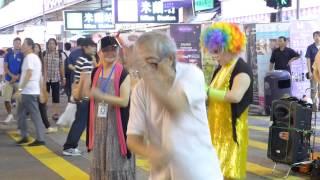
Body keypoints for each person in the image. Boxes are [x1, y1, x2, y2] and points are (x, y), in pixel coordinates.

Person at [127, 31, 222, 180]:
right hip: (162, 175)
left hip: (199, 172)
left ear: (170, 59)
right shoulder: (140, 89)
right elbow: (133, 137)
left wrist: (148, 76)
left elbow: (176, 108)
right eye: (141, 64)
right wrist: (150, 152)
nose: (146, 70)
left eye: (152, 63)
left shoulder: (192, 74)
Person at [200, 22, 253, 179]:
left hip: (231, 134)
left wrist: (207, 91)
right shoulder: (221, 68)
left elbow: (235, 96)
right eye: (212, 51)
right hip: (215, 131)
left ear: (230, 47)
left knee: (230, 173)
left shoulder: (242, 69)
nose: (214, 55)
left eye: (216, 51)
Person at [88, 36, 135, 179]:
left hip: (117, 129)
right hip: (99, 128)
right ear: (100, 52)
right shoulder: (96, 72)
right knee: (100, 165)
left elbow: (124, 101)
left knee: (117, 166)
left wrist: (100, 96)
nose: (110, 53)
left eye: (113, 49)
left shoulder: (123, 73)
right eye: (106, 50)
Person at [62, 38, 96, 156]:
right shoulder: (85, 61)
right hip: (84, 96)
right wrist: (82, 97)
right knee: (80, 122)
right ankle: (69, 146)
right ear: (85, 47)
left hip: (81, 95)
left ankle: (73, 145)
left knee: (81, 121)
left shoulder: (83, 59)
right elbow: (85, 81)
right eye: (92, 46)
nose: (94, 49)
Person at [15, 38, 45, 146]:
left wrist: (19, 89)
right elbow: (39, 76)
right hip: (29, 91)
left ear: (29, 46)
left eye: (23, 44)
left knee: (35, 115)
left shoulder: (30, 58)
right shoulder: (33, 57)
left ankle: (40, 139)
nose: (21, 46)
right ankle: (24, 136)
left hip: (29, 91)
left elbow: (29, 74)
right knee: (20, 114)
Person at [34, 43, 57, 133]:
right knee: (36, 108)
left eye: (37, 47)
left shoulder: (40, 59)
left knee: (41, 106)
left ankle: (47, 126)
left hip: (39, 85)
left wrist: (43, 84)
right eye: (34, 47)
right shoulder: (30, 58)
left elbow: (44, 72)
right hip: (33, 87)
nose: (36, 49)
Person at [2, 37, 23, 123]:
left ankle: (20, 117)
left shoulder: (22, 55)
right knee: (6, 99)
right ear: (13, 44)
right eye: (16, 43)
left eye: (19, 43)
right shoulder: (8, 55)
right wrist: (12, 77)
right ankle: (10, 115)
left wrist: (16, 77)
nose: (18, 44)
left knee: (21, 100)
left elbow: (23, 69)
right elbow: (5, 68)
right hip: (8, 81)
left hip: (19, 82)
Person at [43, 38, 65, 121]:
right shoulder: (44, 53)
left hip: (56, 78)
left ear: (56, 45)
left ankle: (55, 113)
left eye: (53, 43)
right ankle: (43, 111)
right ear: (47, 45)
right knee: (45, 96)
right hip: (46, 79)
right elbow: (43, 67)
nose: (51, 45)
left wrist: (63, 78)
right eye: (49, 43)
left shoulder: (59, 54)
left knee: (56, 97)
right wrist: (43, 78)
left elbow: (61, 67)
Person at [306, 31, 320, 109]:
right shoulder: (310, 47)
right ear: (313, 37)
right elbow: (308, 60)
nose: (317, 37)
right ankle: (314, 108)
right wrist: (310, 72)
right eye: (315, 36)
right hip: (314, 72)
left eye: (318, 36)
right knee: (314, 90)